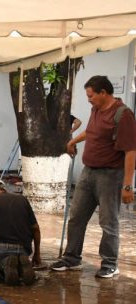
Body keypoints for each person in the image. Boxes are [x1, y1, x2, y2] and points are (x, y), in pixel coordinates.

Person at [51, 75, 136, 278]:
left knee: (108, 222)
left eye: (91, 96)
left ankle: (109, 263)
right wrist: (73, 142)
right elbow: (92, 131)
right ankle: (72, 259)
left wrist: (127, 185)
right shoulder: (96, 109)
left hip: (110, 175)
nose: (88, 99)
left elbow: (131, 150)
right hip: (88, 172)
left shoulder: (123, 115)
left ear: (103, 93)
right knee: (76, 217)